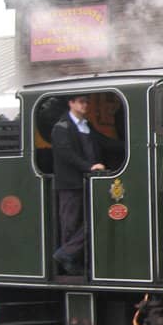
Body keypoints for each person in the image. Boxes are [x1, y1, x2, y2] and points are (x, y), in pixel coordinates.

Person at [51, 94, 110, 275]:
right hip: (70, 183)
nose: (85, 105)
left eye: (86, 102)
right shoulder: (61, 128)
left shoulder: (86, 126)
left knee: (91, 222)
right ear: (71, 103)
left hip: (88, 182)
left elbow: (105, 142)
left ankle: (67, 255)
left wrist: (131, 145)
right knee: (70, 224)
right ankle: (67, 262)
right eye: (81, 102)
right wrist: (90, 166)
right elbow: (66, 154)